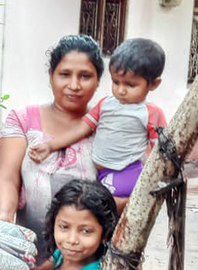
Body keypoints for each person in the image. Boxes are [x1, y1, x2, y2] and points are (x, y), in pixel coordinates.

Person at [0, 35, 149, 270]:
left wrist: (120, 204)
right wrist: (4, 217)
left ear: (98, 80)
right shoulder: (22, 119)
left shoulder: (114, 123)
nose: (74, 85)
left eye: (86, 76)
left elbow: (139, 178)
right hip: (37, 267)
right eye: (65, 74)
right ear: (50, 75)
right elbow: (5, 179)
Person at [29, 38, 167, 199]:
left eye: (130, 85)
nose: (121, 90)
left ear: (153, 84)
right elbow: (81, 128)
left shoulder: (150, 112)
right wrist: (50, 146)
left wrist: (153, 179)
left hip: (126, 173)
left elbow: (160, 152)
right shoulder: (105, 104)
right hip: (101, 173)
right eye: (116, 82)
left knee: (98, 209)